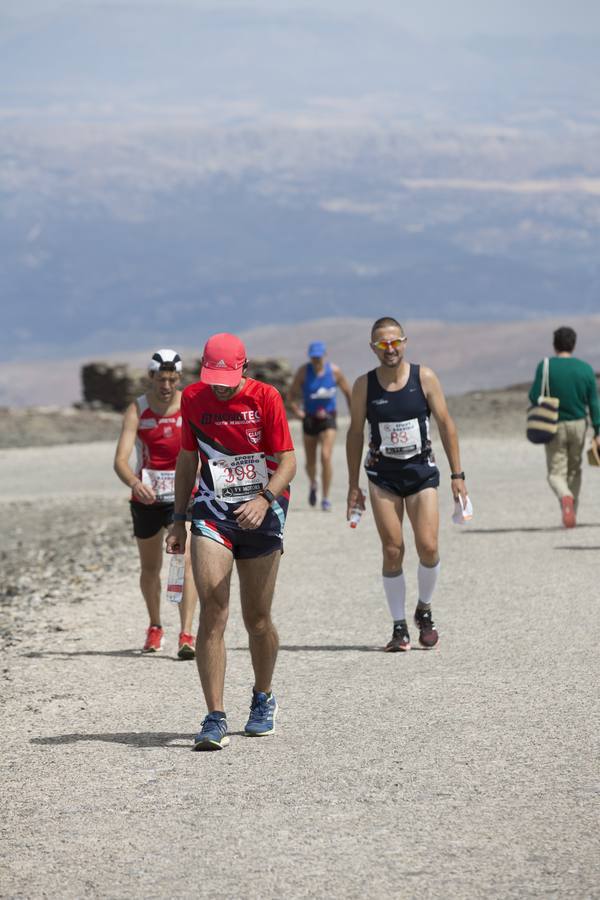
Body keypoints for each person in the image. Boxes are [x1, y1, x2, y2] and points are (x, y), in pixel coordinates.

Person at [166, 333, 296, 751]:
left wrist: (264, 498)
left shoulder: (266, 398)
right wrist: (179, 519)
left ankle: (263, 697)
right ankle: (214, 716)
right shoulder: (193, 399)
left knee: (257, 619)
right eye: (212, 377)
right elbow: (188, 457)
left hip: (263, 510)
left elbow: (289, 461)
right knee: (213, 612)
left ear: (244, 367)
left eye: (226, 377)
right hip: (213, 512)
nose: (219, 385)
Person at [346, 317, 468, 652]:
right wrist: (352, 484)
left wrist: (458, 475)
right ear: (373, 348)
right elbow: (355, 433)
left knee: (428, 546)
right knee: (392, 549)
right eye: (382, 344)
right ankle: (399, 626)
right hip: (382, 476)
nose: (390, 349)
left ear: (405, 342)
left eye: (395, 342)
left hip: (421, 474)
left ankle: (424, 610)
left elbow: (446, 423)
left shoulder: (423, 378)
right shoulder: (364, 386)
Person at [114, 349, 198, 657]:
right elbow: (121, 460)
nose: (166, 385)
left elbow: (201, 447)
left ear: (179, 379)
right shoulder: (138, 409)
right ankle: (155, 626)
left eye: (172, 379)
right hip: (147, 497)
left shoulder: (188, 405)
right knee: (151, 567)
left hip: (182, 495)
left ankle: (186, 634)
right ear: (151, 377)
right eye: (161, 379)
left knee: (186, 561)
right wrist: (135, 483)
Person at [528, 326, 600, 528]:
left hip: (554, 424)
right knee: (575, 470)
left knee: (555, 472)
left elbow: (533, 396)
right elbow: (594, 402)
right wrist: (598, 430)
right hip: (579, 425)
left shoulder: (546, 366)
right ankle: (572, 512)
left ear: (554, 344)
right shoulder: (585, 369)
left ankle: (565, 497)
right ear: (573, 344)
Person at [289, 341, 352, 510]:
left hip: (328, 418)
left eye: (319, 357)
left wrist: (355, 415)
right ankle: (313, 482)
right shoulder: (303, 372)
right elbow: (291, 395)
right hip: (309, 418)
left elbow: (348, 392)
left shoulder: (335, 372)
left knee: (325, 456)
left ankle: (325, 498)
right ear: (310, 357)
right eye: (313, 357)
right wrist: (297, 412)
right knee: (310, 462)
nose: (316, 360)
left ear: (324, 356)